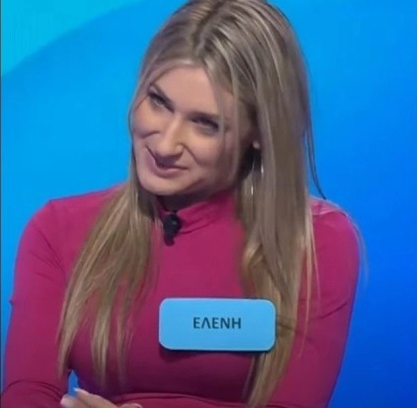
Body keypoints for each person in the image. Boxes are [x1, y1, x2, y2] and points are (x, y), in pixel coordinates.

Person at [2, 0, 361, 407]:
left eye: (204, 124)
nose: (166, 144)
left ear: (259, 133)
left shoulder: (314, 241)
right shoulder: (57, 230)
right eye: (159, 102)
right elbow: (27, 396)